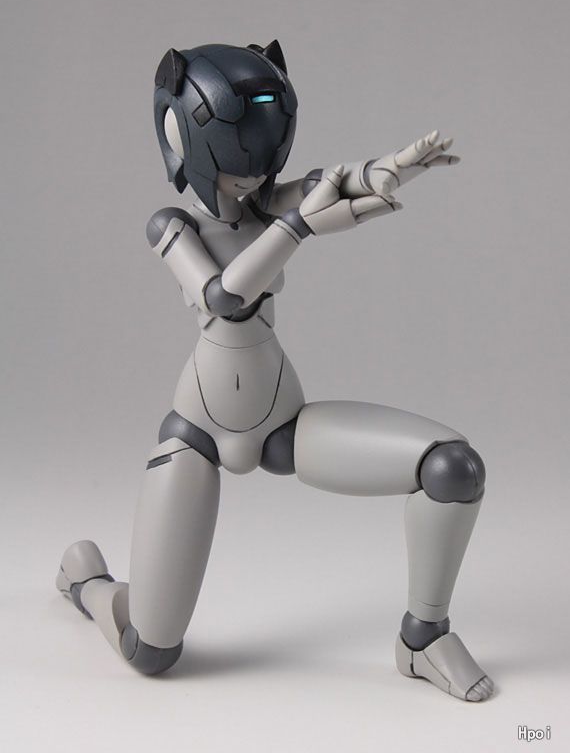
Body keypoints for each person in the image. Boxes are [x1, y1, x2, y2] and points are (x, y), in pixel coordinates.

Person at [57, 40, 494, 701]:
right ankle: (88, 583)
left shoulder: (267, 201)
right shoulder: (172, 225)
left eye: (262, 166)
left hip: (282, 422)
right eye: (238, 168)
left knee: (451, 469)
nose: (253, 180)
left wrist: (395, 168)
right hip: (199, 436)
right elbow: (222, 297)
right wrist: (297, 226)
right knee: (150, 651)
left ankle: (424, 640)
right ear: (187, 145)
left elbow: (332, 183)